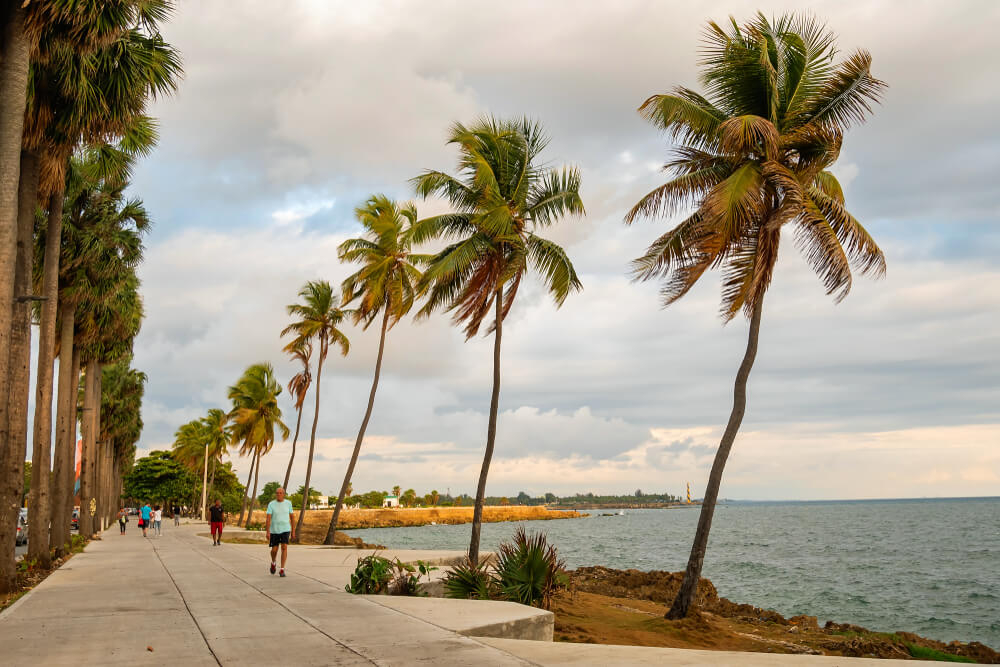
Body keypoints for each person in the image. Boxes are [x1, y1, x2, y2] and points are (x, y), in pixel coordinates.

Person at [265, 487, 295, 577]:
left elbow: (292, 518)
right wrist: (267, 531)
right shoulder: (271, 504)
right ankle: (273, 562)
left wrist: (293, 531)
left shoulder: (288, 503)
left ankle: (282, 569)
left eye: (280, 493)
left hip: (286, 529)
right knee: (274, 550)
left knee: (284, 547)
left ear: (284, 494)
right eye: (277, 493)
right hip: (274, 530)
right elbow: (268, 518)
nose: (278, 494)